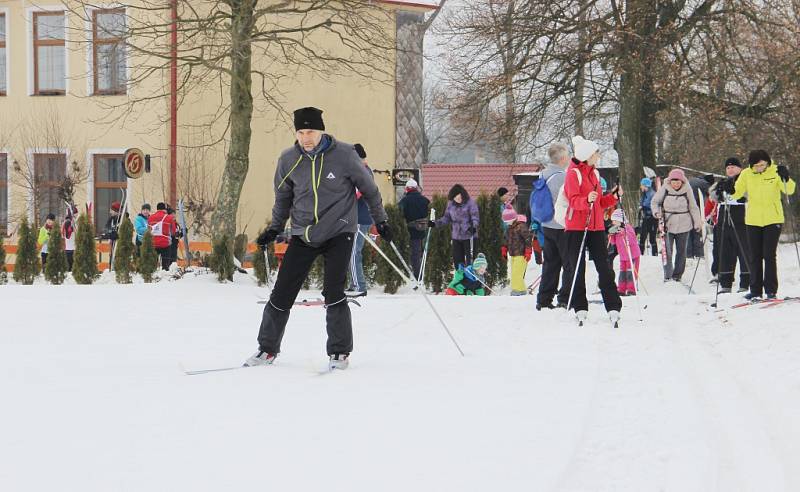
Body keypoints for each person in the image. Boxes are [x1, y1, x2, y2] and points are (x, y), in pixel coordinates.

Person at [245, 107, 390, 370]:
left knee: (334, 290)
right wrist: (275, 228)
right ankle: (266, 349)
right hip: (303, 233)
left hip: (340, 230)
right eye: (300, 132)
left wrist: (381, 220)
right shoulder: (288, 159)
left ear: (321, 130)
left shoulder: (345, 154)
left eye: (310, 131)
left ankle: (339, 352)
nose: (305, 137)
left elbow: (369, 189)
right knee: (282, 292)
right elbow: (282, 198)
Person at [562, 136, 622, 325]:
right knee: (578, 268)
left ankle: (613, 306)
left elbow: (600, 203)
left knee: (604, 267)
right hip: (576, 228)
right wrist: (586, 199)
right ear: (587, 155)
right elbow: (573, 200)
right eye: (596, 152)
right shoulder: (573, 174)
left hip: (596, 227)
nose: (598, 155)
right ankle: (580, 307)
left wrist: (612, 197)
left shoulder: (595, 174)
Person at [727, 150, 795, 300]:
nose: (760, 168)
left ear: (767, 162)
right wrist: (729, 188)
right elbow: (737, 193)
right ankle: (755, 290)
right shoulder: (746, 174)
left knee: (769, 255)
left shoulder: (775, 171)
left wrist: (786, 177)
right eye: (757, 166)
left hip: (773, 219)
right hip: (753, 220)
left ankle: (771, 290)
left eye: (763, 165)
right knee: (755, 256)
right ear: (751, 165)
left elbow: (789, 189)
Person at [651, 168, 703, 282]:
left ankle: (677, 275)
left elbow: (693, 207)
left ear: (682, 181)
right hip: (667, 224)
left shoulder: (687, 189)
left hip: (684, 224)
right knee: (667, 251)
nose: (675, 184)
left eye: (678, 182)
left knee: (681, 251)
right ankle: (668, 274)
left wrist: (697, 222)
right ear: (670, 181)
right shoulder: (665, 188)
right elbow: (655, 202)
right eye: (673, 182)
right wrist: (656, 212)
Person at [536, 142, 570, 310]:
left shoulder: (542, 174)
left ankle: (544, 299)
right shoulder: (562, 177)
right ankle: (564, 298)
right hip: (561, 225)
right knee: (568, 263)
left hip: (546, 223)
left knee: (550, 263)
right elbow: (565, 200)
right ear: (563, 158)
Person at [712, 158, 749, 294]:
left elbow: (750, 195)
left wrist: (739, 194)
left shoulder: (746, 180)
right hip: (724, 222)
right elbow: (713, 196)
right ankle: (726, 283)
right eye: (728, 168)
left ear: (740, 168)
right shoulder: (722, 182)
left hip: (742, 221)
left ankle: (745, 282)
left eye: (733, 167)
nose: (730, 169)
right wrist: (718, 192)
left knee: (744, 251)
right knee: (725, 253)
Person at [345, 143, 375, 297]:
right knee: (353, 251)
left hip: (360, 218)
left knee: (353, 252)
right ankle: (354, 283)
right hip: (358, 217)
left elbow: (357, 193)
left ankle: (359, 286)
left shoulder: (363, 171)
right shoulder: (365, 170)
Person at [429, 184, 479, 269]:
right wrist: (435, 223)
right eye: (455, 199)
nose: (457, 200)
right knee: (458, 262)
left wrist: (474, 227)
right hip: (456, 236)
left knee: (469, 262)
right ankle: (459, 279)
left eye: (459, 198)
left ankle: (470, 279)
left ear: (463, 195)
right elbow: (446, 218)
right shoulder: (451, 204)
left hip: (469, 236)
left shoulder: (470, 203)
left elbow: (475, 217)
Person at [397, 177, 430, 281]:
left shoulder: (405, 200)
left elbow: (398, 213)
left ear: (407, 189)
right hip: (424, 229)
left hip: (411, 230)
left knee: (414, 254)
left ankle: (417, 276)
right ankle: (423, 272)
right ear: (416, 188)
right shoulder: (425, 200)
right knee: (422, 253)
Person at [608, 209, 641, 296]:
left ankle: (631, 289)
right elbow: (613, 242)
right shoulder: (616, 230)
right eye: (612, 221)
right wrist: (611, 235)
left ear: (620, 220)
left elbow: (631, 239)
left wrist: (622, 232)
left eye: (615, 221)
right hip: (623, 256)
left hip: (632, 255)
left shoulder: (627, 228)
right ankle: (621, 289)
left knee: (630, 272)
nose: (613, 223)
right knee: (622, 273)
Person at [501, 207, 532, 296]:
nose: (507, 223)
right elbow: (506, 239)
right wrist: (504, 248)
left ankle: (518, 290)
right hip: (513, 254)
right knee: (513, 273)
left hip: (522, 254)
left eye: (508, 221)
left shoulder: (521, 226)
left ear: (513, 218)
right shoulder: (509, 228)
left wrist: (528, 251)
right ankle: (520, 290)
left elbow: (528, 238)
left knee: (517, 273)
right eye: (505, 221)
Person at [147, 202, 177, 270]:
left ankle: (153, 276)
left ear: (157, 209)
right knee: (166, 265)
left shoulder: (150, 218)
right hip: (165, 244)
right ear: (165, 209)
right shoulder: (169, 218)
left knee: (153, 264)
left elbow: (148, 231)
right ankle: (164, 274)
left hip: (153, 243)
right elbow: (173, 232)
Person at [638, 178, 657, 256]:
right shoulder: (645, 193)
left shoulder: (652, 194)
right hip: (645, 218)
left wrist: (645, 207)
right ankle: (640, 254)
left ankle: (655, 254)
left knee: (652, 238)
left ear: (646, 186)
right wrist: (641, 207)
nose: (640, 187)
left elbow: (655, 206)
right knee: (642, 237)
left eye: (641, 185)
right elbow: (642, 203)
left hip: (652, 218)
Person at [62, 205, 78, 270]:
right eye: (76, 213)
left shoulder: (72, 221)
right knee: (71, 268)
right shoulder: (68, 222)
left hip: (71, 247)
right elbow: (66, 234)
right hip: (71, 248)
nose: (77, 215)